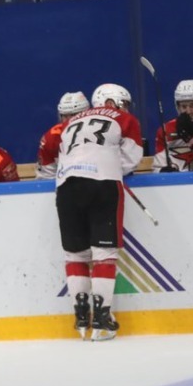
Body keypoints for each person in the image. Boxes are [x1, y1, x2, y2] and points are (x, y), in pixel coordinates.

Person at [56, 83, 142, 341]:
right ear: (113, 102)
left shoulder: (70, 123)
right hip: (102, 183)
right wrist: (111, 165)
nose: (126, 109)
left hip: (66, 186)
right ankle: (102, 319)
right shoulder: (124, 119)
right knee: (104, 254)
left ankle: (82, 317)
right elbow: (132, 158)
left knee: (76, 254)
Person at [36, 90, 90, 178]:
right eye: (64, 116)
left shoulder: (100, 135)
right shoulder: (51, 138)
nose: (69, 121)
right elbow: (46, 177)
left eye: (74, 115)